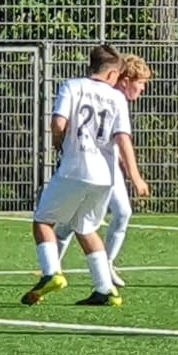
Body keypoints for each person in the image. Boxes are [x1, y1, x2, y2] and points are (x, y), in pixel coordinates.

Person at [21, 45, 151, 307]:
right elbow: (123, 138)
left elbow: (58, 123)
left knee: (43, 221)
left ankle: (51, 273)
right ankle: (105, 289)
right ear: (112, 74)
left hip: (75, 167)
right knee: (87, 228)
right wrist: (136, 177)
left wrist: (59, 142)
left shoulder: (72, 86)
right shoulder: (117, 98)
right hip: (105, 177)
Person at [53, 53, 153, 288]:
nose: (143, 89)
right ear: (125, 80)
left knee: (120, 212)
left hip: (103, 167)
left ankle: (102, 264)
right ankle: (54, 269)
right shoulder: (111, 97)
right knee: (74, 221)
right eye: (141, 83)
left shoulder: (111, 97)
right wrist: (135, 176)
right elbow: (122, 139)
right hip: (92, 166)